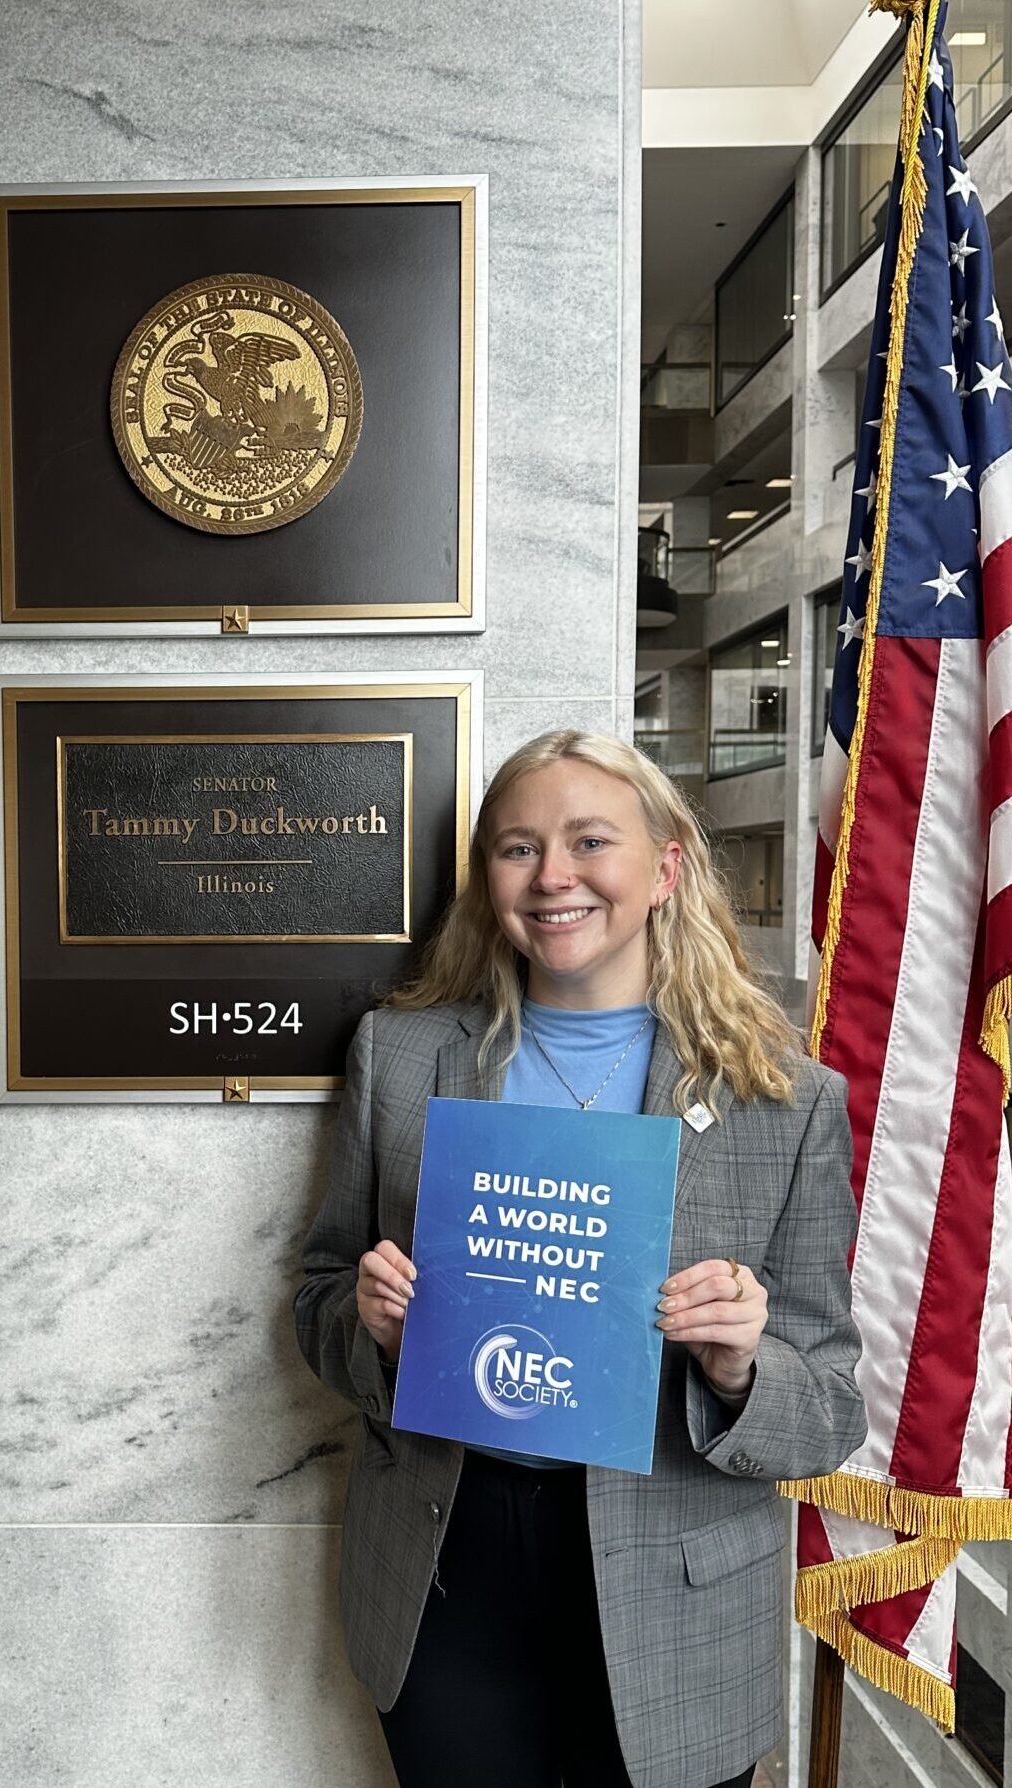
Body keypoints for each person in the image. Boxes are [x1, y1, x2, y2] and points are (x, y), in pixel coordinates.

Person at [295, 729, 864, 1788]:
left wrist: (742, 1367)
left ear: (665, 869)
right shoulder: (401, 1056)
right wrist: (368, 1328)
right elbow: (316, 1299)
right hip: (446, 1563)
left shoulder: (783, 1098)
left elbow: (832, 1403)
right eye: (518, 848)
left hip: (675, 1584)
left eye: (590, 840)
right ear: (488, 882)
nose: (553, 876)